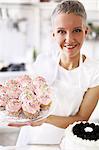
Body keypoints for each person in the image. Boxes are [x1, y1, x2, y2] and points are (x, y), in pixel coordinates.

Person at [9, 0, 99, 145]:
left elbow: (82, 118)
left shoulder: (94, 71)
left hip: (65, 143)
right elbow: (26, 101)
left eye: (76, 30)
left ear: (85, 32)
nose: (69, 39)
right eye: (61, 31)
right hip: (31, 141)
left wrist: (45, 119)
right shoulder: (42, 62)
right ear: (53, 34)